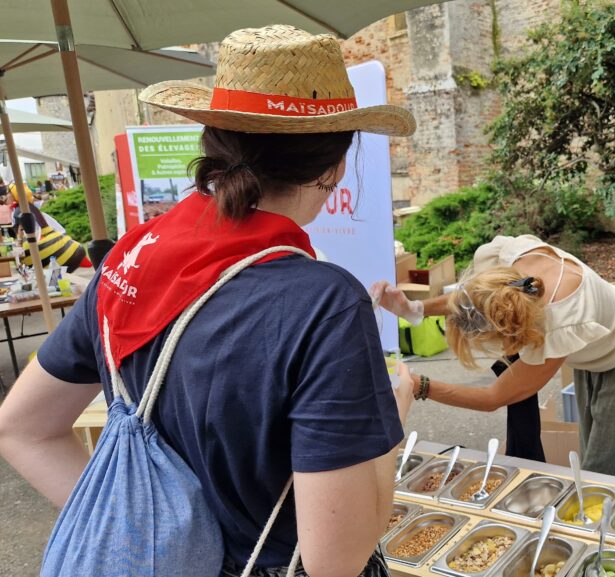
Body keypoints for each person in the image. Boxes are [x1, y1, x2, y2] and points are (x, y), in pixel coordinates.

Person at [0, 24, 417, 577]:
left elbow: (21, 428)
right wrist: (391, 415)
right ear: (334, 168)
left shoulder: (131, 258)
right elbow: (334, 560)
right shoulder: (322, 303)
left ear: (214, 145)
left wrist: (151, 537)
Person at [374, 234, 615, 482]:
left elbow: (494, 397)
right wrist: (413, 308)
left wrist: (420, 385)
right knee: (597, 448)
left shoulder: (560, 323)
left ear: (510, 334)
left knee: (612, 472)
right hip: (599, 348)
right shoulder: (511, 265)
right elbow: (471, 300)